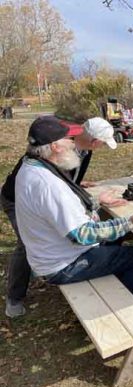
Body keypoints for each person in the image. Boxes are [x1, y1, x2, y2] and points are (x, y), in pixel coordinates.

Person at [13, 116, 133, 306]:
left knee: (114, 239)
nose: (72, 143)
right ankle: (120, 308)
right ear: (55, 146)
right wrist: (131, 221)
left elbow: (63, 211)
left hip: (49, 255)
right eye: (68, 139)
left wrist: (96, 203)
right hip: (64, 265)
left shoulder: (31, 166)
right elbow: (83, 235)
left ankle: (111, 278)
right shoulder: (48, 184)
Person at [2, 117, 120, 317]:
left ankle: (83, 262)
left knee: (67, 230)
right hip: (16, 199)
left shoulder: (82, 151)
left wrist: (77, 186)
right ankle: (14, 298)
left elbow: (63, 185)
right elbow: (49, 185)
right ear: (95, 141)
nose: (70, 139)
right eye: (103, 144)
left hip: (45, 198)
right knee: (26, 243)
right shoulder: (50, 151)